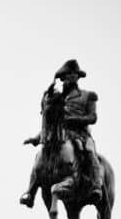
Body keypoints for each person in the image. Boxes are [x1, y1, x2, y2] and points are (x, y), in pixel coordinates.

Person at [19, 59, 105, 206]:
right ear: (63, 77)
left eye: (74, 74)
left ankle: (96, 187)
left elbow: (93, 117)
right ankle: (30, 192)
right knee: (39, 156)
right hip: (60, 133)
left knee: (90, 151)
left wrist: (73, 119)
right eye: (68, 74)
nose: (71, 76)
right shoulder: (57, 97)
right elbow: (50, 121)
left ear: (78, 77)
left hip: (81, 134)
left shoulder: (87, 95)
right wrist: (36, 138)